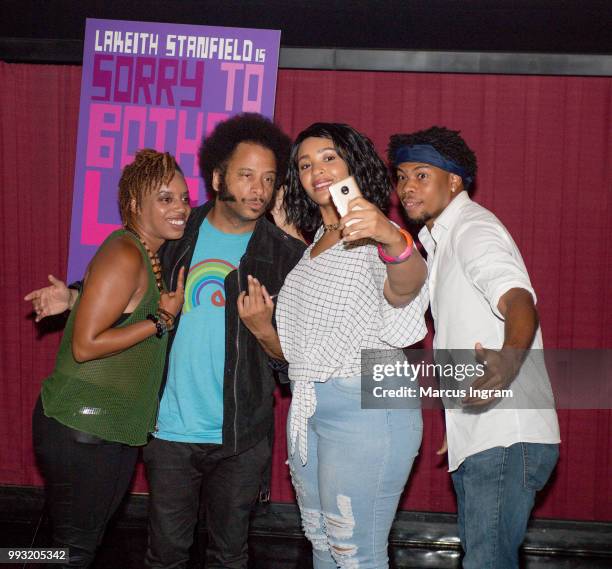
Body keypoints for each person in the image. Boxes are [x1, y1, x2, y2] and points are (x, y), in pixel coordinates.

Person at [27, 113, 306, 569]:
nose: (259, 189)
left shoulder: (286, 258)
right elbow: (125, 286)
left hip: (240, 436)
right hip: (167, 431)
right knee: (163, 554)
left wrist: (265, 332)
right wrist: (75, 294)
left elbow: (295, 368)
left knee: (230, 554)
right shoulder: (176, 233)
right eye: (247, 175)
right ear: (218, 178)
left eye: (269, 179)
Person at [389, 126, 560, 569]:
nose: (407, 186)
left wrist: (506, 363)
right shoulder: (441, 241)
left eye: (422, 175)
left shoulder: (473, 229)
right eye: (402, 176)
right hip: (485, 433)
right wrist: (460, 415)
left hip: (504, 437)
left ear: (455, 181)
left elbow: (519, 300)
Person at [275, 123, 429, 569]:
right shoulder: (312, 250)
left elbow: (406, 287)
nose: (316, 170)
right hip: (310, 408)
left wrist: (389, 237)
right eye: (305, 164)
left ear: (353, 163)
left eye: (328, 157)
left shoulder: (376, 233)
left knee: (355, 553)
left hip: (369, 402)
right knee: (322, 544)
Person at [28, 149, 190, 568]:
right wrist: (161, 319)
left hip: (102, 425)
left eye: (184, 198)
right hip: (84, 426)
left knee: (75, 542)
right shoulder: (125, 253)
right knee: (74, 549)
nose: (180, 208)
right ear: (135, 204)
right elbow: (86, 344)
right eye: (165, 198)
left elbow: (106, 311)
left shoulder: (142, 251)